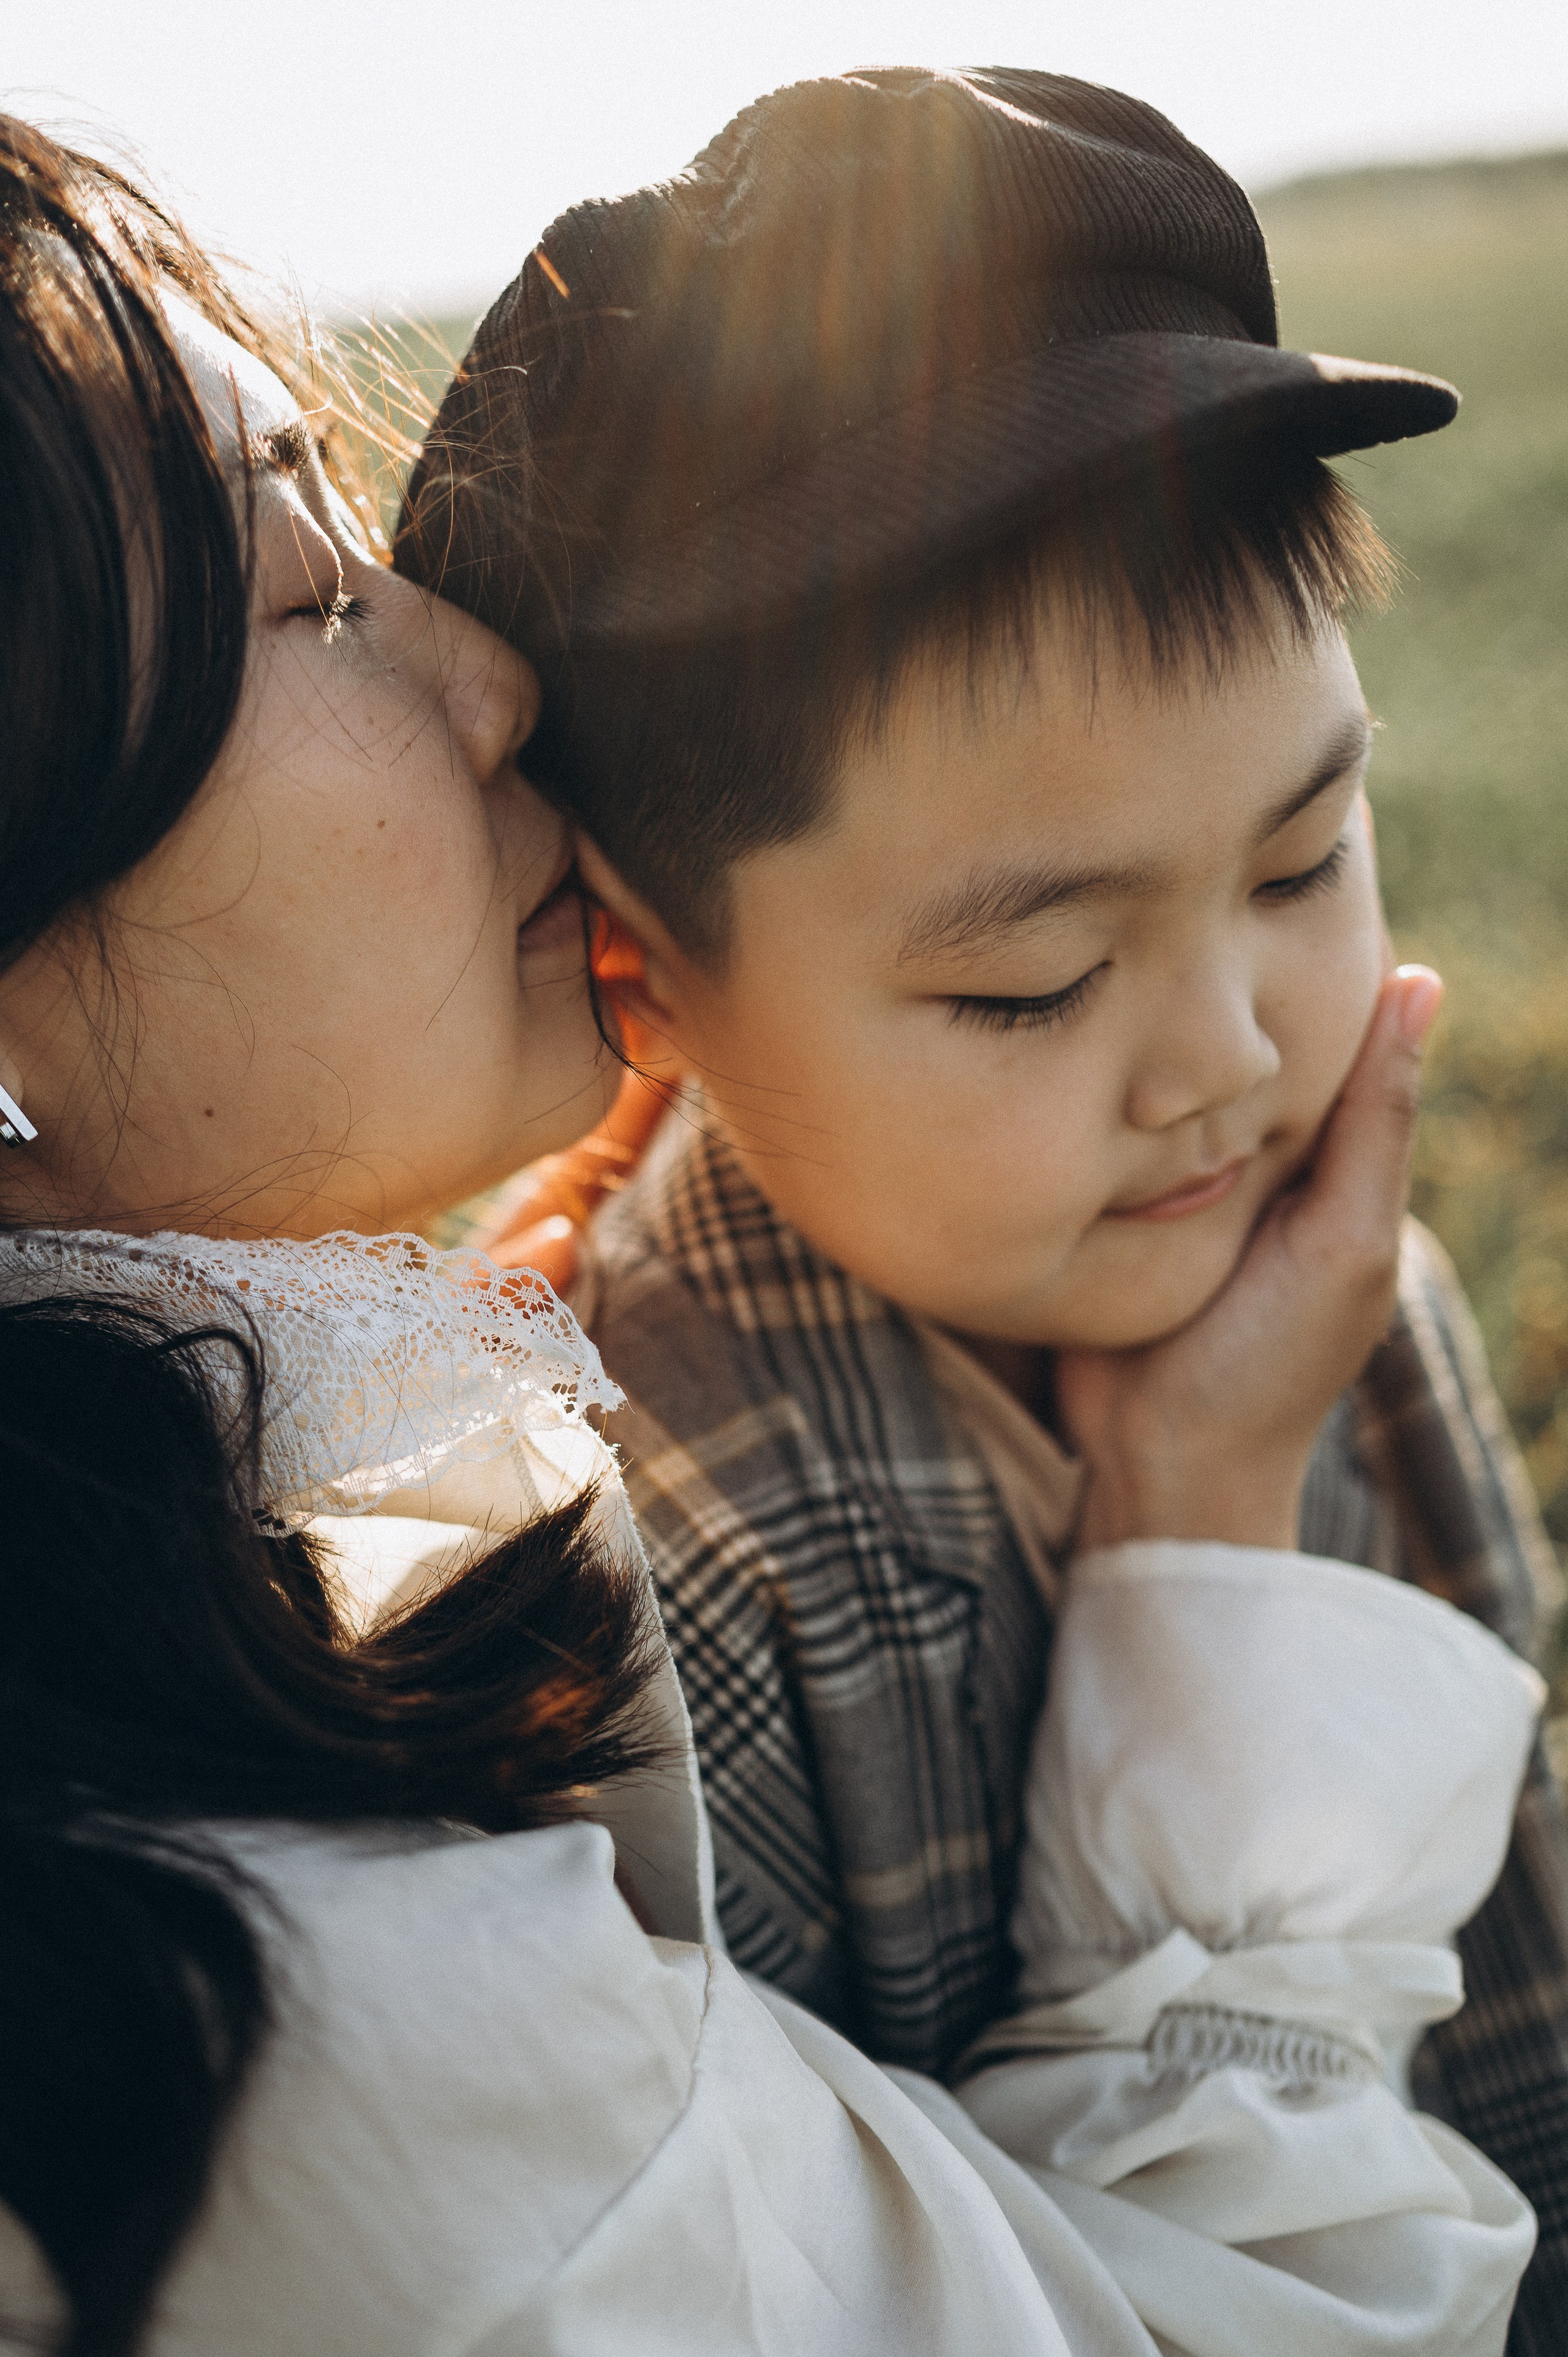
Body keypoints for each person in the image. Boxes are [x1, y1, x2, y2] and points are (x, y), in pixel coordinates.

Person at [0, 111, 1539, 2357]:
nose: (487, 682)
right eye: (304, 595)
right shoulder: (362, 1954)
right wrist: (1213, 1544)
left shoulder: (1323, 1276)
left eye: (1307, 859)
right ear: (655, 972)